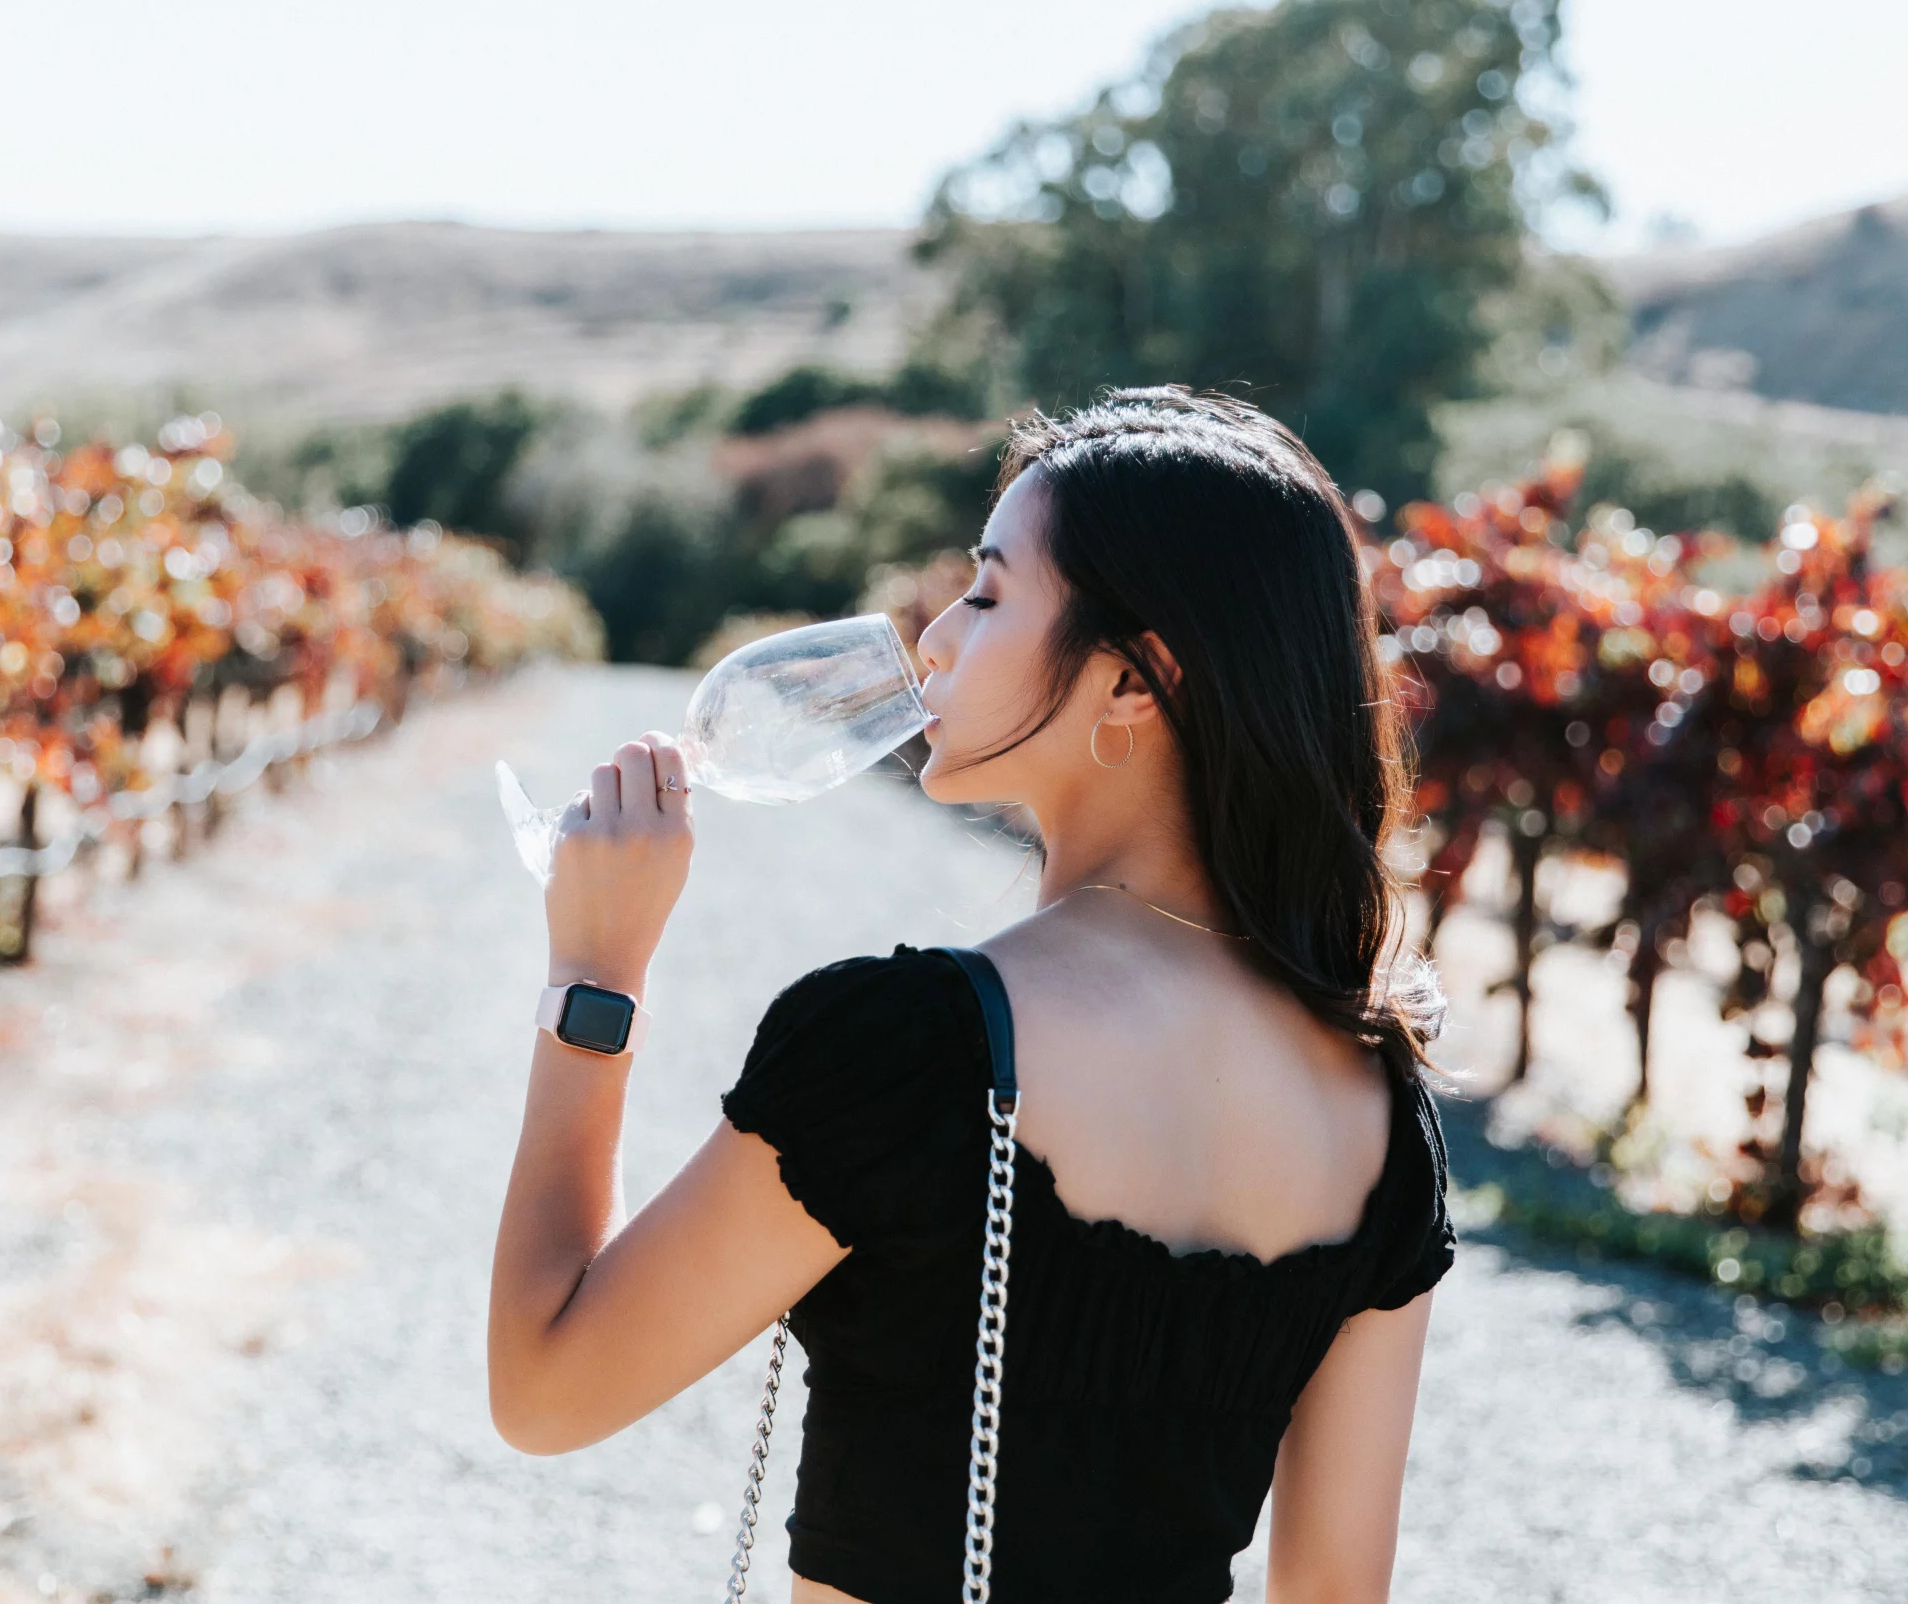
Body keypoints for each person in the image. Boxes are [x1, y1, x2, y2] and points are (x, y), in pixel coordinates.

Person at [490, 388, 1455, 1604]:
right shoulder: (1378, 1106)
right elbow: (1334, 1592)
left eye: (988, 596)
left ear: (1135, 680)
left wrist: (594, 976)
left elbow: (546, 1391)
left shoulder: (909, 1046)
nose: (934, 637)